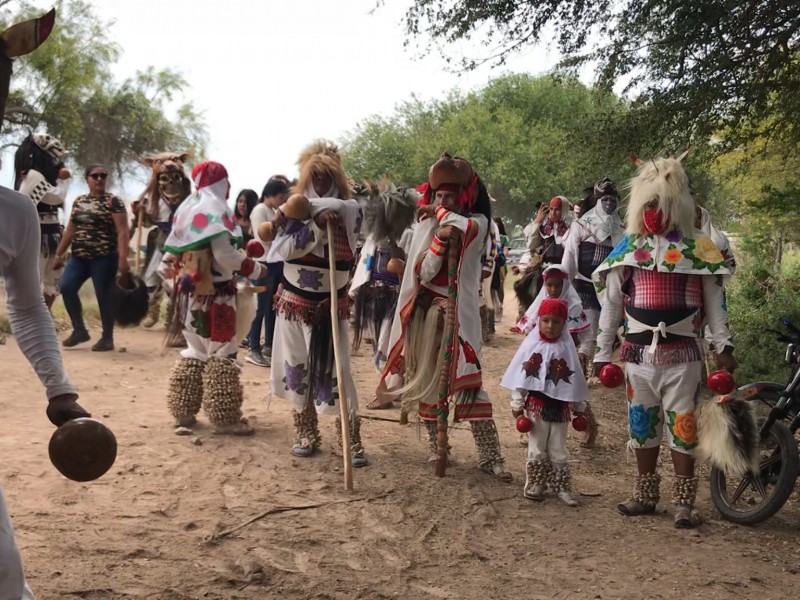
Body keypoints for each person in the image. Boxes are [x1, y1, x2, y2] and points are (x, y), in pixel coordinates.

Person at [593, 153, 735, 529]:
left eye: (662, 204)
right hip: (637, 355)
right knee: (641, 424)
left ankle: (685, 503)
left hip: (683, 355)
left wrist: (723, 347)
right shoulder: (628, 249)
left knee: (683, 425)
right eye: (649, 203)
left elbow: (715, 303)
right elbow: (611, 303)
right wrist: (601, 350)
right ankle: (644, 495)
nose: (656, 211)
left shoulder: (701, 249)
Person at [381, 153, 512, 482]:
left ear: (464, 197)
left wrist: (442, 220)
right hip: (430, 315)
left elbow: (462, 226)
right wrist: (439, 241)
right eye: (439, 196)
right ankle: (437, 447)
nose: (445, 201)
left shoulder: (478, 223)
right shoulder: (428, 226)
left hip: (461, 317)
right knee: (427, 381)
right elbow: (423, 272)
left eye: (451, 196)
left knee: (471, 384)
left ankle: (490, 455)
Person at [267, 140, 368, 466]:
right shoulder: (296, 209)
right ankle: (305, 432)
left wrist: (330, 214)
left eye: (327, 177)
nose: (321, 183)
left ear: (335, 178)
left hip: (330, 304)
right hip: (295, 301)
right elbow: (283, 249)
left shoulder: (349, 209)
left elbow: (352, 218)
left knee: (338, 371)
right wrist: (311, 221)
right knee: (296, 365)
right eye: (317, 177)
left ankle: (350, 439)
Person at [160, 161, 266, 435]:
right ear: (222, 184)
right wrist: (253, 268)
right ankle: (225, 417)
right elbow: (224, 256)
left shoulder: (188, 207)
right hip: (217, 297)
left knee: (195, 349)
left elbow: (169, 256)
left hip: (189, 295)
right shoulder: (215, 209)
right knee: (222, 351)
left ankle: (183, 412)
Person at [502, 298, 589, 505]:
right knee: (537, 445)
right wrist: (517, 403)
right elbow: (522, 376)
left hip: (561, 409)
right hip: (537, 407)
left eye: (557, 322)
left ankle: (561, 487)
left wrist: (579, 408)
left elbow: (575, 380)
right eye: (546, 321)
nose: (551, 326)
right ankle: (536, 483)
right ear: (539, 321)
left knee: (558, 447)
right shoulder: (532, 346)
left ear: (565, 323)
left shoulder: (567, 349)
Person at [350, 181, 417, 409]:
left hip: (395, 298)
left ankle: (387, 391)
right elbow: (364, 265)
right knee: (378, 343)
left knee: (388, 345)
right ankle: (391, 389)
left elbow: (411, 266)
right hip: (373, 297)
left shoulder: (408, 236)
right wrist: (357, 290)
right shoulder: (373, 238)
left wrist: (400, 257)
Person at [54, 164, 130, 352]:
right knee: (66, 287)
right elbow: (71, 229)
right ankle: (79, 330)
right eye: (94, 176)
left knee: (103, 296)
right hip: (79, 257)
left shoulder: (113, 202)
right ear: (87, 179)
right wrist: (58, 254)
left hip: (104, 257)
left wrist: (123, 258)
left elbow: (122, 231)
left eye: (103, 175)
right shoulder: (79, 201)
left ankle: (107, 338)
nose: (99, 179)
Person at [561, 178, 624, 372]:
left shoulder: (623, 231)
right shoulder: (581, 225)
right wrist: (565, 284)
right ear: (597, 200)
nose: (609, 203)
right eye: (605, 199)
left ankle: (597, 367)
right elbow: (570, 256)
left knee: (605, 329)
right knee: (587, 330)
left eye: (612, 200)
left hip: (611, 289)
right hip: (584, 284)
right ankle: (581, 368)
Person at [13, 132, 71, 312]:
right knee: (31, 281)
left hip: (52, 234)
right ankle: (27, 320)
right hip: (35, 237)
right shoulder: (34, 176)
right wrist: (64, 181)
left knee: (54, 279)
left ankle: (45, 316)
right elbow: (55, 197)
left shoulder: (43, 176)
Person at [244, 176, 290, 366]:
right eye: (281, 197)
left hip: (276, 262)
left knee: (273, 308)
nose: (283, 201)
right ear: (271, 195)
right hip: (264, 263)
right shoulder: (259, 211)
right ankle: (253, 348)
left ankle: (269, 346)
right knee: (260, 308)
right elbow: (264, 238)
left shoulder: (272, 211)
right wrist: (278, 227)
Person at [513, 196, 572, 319]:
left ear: (565, 210)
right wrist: (537, 221)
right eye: (551, 209)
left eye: (558, 209)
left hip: (565, 272)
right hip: (545, 271)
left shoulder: (573, 226)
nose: (553, 213)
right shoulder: (545, 226)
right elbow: (531, 245)